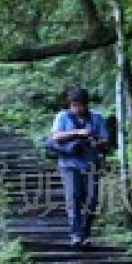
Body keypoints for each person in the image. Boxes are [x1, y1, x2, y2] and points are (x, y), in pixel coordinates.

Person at [48, 86, 114, 246]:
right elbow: (55, 136)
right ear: (70, 104)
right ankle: (76, 234)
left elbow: (106, 140)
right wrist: (77, 133)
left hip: (91, 164)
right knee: (74, 198)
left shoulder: (96, 118)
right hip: (69, 165)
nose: (78, 108)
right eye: (74, 105)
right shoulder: (63, 117)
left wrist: (94, 138)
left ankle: (85, 233)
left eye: (80, 105)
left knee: (92, 200)